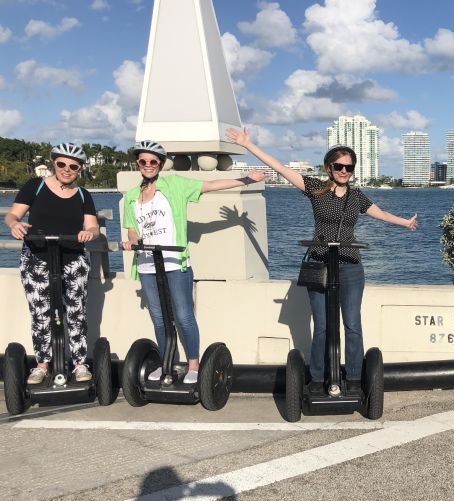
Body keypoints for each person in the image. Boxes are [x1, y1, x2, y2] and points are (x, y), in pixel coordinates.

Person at [226, 127, 417, 388]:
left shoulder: (357, 196)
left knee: (352, 325)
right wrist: (249, 145)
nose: (343, 172)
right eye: (338, 166)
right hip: (319, 264)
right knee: (323, 327)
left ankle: (353, 378)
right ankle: (317, 378)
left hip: (349, 265)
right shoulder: (316, 189)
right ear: (329, 167)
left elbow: (381, 214)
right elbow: (281, 169)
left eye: (348, 168)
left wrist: (405, 223)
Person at [121, 140, 266, 384]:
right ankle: (167, 362)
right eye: (143, 161)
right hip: (147, 264)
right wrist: (132, 241)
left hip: (175, 262)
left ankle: (193, 364)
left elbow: (210, 185)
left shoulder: (175, 184)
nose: (148, 165)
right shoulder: (133, 196)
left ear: (160, 163)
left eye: (153, 161)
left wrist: (246, 180)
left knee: (183, 316)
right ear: (138, 164)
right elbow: (132, 229)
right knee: (158, 316)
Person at [4, 143, 99, 384]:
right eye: (61, 164)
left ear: (80, 169)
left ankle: (79, 363)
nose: (67, 169)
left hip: (72, 259)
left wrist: (90, 233)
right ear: (54, 163)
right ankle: (42, 364)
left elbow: (93, 226)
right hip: (37, 258)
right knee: (40, 313)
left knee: (76, 313)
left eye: (73, 166)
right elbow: (13, 214)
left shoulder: (82, 195)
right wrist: (15, 224)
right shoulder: (34, 187)